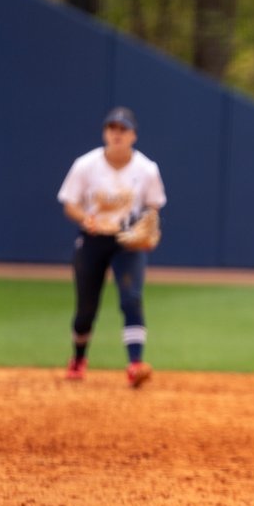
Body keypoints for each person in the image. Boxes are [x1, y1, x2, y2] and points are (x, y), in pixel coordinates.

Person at [57, 106, 167, 388]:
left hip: (127, 242)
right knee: (86, 308)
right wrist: (86, 218)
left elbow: (153, 206)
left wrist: (149, 227)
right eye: (112, 128)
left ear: (133, 135)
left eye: (123, 129)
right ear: (105, 132)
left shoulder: (146, 169)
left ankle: (135, 364)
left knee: (131, 298)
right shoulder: (86, 165)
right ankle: (79, 360)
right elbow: (70, 202)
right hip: (93, 240)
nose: (117, 134)